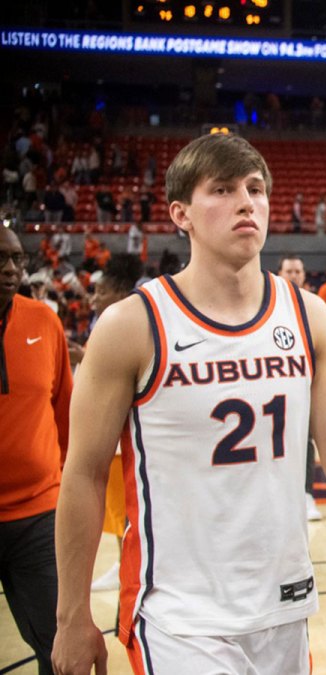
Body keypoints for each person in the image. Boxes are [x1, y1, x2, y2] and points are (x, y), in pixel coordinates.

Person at [52, 134, 326, 674]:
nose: (246, 201)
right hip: (178, 614)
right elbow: (85, 473)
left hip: (284, 602)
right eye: (222, 189)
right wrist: (71, 616)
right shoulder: (132, 325)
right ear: (180, 214)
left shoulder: (308, 316)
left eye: (255, 188)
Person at [0, 227, 73, 674]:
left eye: (17, 260)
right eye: (0, 260)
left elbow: (65, 412)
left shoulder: (44, 321)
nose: (10, 270)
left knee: (61, 649)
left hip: (38, 516)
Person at [86, 254, 145, 593]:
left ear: (120, 292)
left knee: (129, 509)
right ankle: (122, 563)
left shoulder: (129, 322)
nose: (94, 298)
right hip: (114, 434)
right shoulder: (107, 322)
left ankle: (128, 567)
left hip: (130, 435)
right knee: (118, 511)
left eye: (101, 292)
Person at [278, 253, 324, 522]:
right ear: (280, 273)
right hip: (275, 382)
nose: (294, 275)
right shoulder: (269, 303)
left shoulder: (314, 305)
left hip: (307, 380)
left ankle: (307, 495)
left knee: (304, 440)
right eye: (290, 271)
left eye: (298, 271)